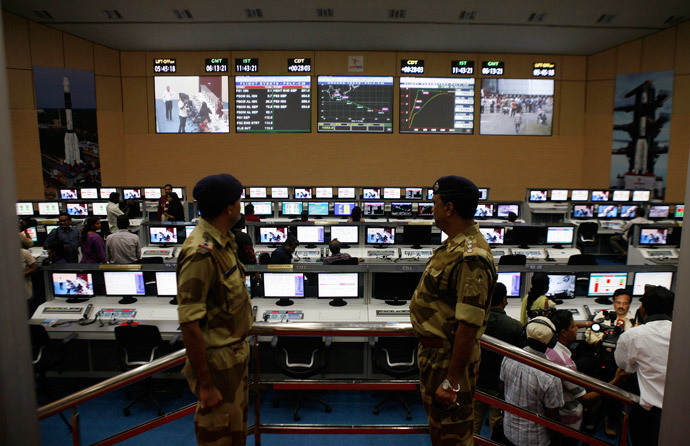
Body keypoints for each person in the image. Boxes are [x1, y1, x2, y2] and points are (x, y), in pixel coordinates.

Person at [409, 175, 497, 446]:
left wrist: (452, 382)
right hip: (436, 356)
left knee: (453, 436)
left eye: (434, 203)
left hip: (448, 360)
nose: (431, 209)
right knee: (440, 430)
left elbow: (469, 324)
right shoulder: (455, 244)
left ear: (449, 208)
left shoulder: (471, 256)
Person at [177, 174, 252, 445]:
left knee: (235, 434)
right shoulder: (201, 252)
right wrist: (206, 385)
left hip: (233, 360)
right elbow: (189, 324)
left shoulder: (224, 240)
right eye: (239, 202)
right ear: (228, 209)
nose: (241, 206)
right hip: (217, 368)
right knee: (218, 437)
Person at [615, 285, 674, 446]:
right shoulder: (682, 332)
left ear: (642, 310)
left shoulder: (632, 336)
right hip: (681, 410)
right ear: (672, 312)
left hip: (649, 413)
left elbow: (625, 367)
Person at [500, 316, 564, 446]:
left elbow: (501, 388)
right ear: (552, 342)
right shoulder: (551, 376)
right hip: (536, 440)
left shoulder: (508, 357)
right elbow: (553, 417)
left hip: (508, 431)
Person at [473, 282, 524, 440]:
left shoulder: (474, 324)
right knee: (497, 428)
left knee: (472, 426)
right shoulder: (516, 327)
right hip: (501, 386)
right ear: (504, 299)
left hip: (477, 381)